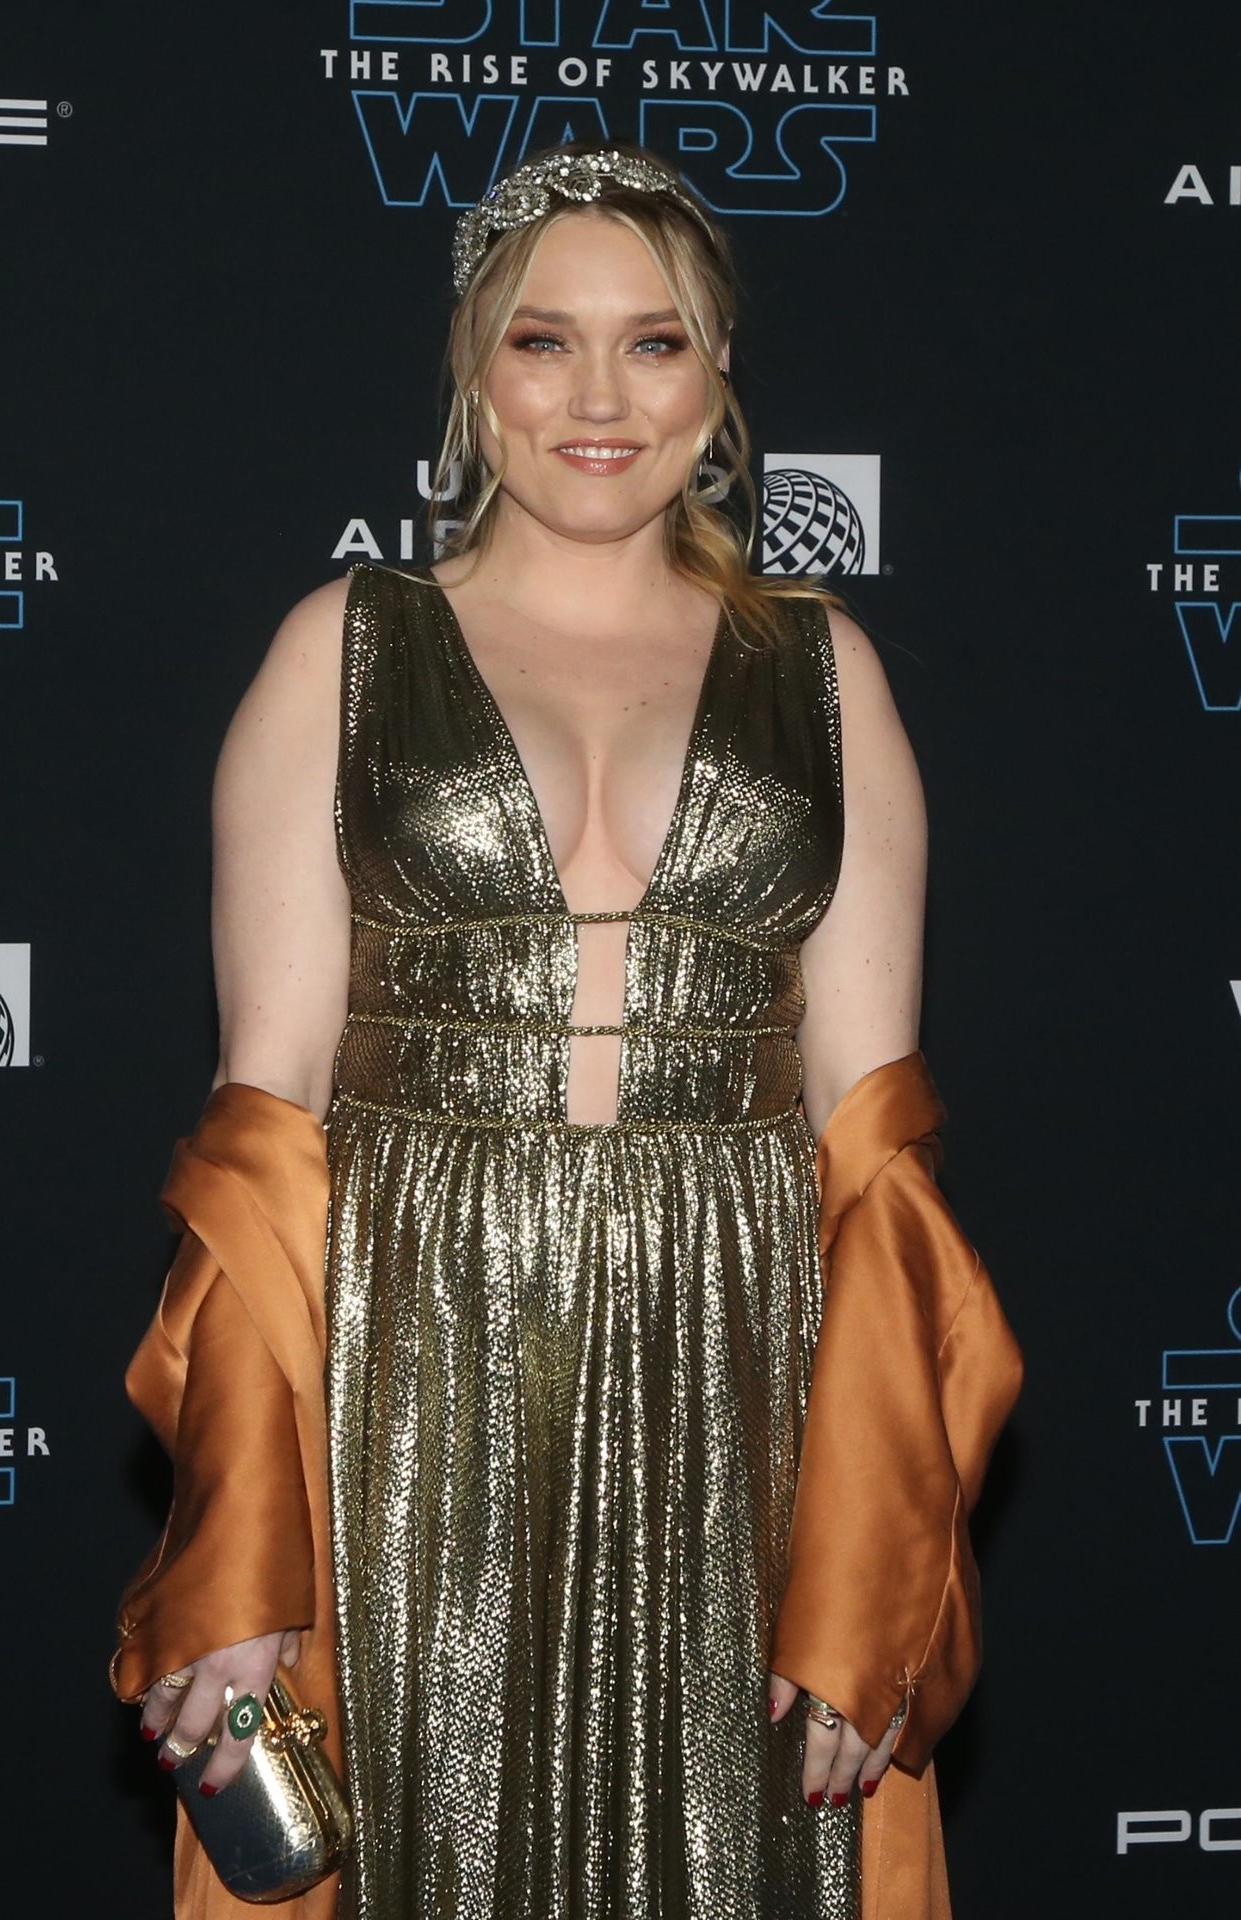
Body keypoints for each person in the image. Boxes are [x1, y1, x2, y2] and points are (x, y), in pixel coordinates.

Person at [111, 143, 1023, 1920]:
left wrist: (872, 1564)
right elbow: (260, 1128)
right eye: (543, 341)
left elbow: (872, 1151)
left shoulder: (822, 670)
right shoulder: (343, 648)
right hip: (408, 1359)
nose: (599, 397)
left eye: (652, 342)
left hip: (740, 1363)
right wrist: (240, 1537)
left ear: (716, 375)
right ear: (475, 372)